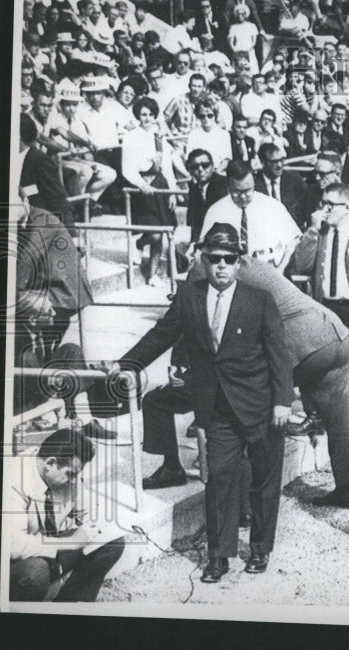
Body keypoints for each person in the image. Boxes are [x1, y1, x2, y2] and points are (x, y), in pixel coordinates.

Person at [115, 224, 294, 582]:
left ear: (240, 263)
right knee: (219, 481)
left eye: (230, 259)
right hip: (217, 409)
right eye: (215, 259)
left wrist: (282, 402)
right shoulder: (189, 296)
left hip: (260, 407)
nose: (222, 266)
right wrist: (126, 363)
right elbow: (161, 335)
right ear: (203, 259)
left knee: (263, 482)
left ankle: (260, 549)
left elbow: (280, 356)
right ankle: (219, 556)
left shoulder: (260, 300)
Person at [290, 182, 349, 471]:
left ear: (347, 209)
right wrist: (310, 231)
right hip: (325, 311)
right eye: (324, 203)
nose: (326, 209)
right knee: (316, 370)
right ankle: (316, 417)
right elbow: (300, 264)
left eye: (332, 204)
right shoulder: (319, 234)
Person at [7, 429, 125, 601]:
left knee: (112, 542)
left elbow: (90, 511)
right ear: (50, 463)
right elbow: (14, 546)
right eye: (71, 474)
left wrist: (95, 526)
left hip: (48, 549)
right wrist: (72, 542)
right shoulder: (12, 480)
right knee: (36, 572)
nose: (74, 481)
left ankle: (69, 608)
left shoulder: (63, 473)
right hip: (14, 563)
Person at [200, 159, 301, 270]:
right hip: (231, 272)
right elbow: (204, 248)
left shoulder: (272, 206)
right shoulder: (216, 211)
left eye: (247, 190)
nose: (243, 196)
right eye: (237, 191)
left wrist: (281, 268)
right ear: (228, 187)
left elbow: (293, 240)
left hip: (269, 269)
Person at [120, 96, 177, 285]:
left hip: (160, 185)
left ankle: (152, 275)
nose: (147, 118)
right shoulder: (130, 137)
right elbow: (126, 168)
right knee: (153, 233)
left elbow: (167, 167)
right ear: (138, 115)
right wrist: (141, 184)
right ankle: (139, 244)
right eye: (143, 114)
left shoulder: (159, 136)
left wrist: (172, 192)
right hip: (141, 187)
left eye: (151, 114)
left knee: (161, 233)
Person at [184, 148, 228, 241]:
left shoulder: (223, 185)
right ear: (190, 170)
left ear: (212, 166)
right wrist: (194, 244)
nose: (200, 170)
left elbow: (219, 221)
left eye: (205, 165)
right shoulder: (194, 188)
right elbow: (194, 223)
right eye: (195, 166)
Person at [254, 143, 306, 219]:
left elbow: (308, 202)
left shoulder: (294, 179)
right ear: (263, 162)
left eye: (281, 160)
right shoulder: (254, 184)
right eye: (274, 161)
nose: (279, 165)